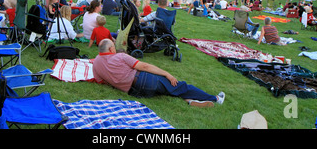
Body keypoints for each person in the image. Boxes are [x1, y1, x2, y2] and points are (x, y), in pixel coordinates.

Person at [93, 39, 226, 108]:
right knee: (180, 86)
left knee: (168, 90)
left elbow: (101, 81)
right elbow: (143, 66)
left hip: (135, 92)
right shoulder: (120, 56)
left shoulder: (96, 63)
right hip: (144, 80)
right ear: (111, 49)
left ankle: (190, 100)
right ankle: (216, 99)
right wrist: (167, 74)